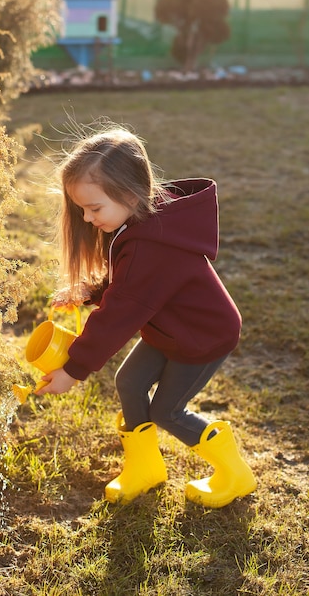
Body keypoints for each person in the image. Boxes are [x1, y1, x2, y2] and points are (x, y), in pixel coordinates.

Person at [37, 124, 256, 508]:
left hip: (202, 336)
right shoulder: (137, 224)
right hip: (168, 328)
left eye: (94, 208)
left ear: (131, 193)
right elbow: (131, 287)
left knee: (167, 411)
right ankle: (145, 466)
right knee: (130, 381)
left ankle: (234, 474)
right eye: (82, 209)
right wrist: (89, 291)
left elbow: (119, 315)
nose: (87, 218)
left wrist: (73, 370)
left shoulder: (152, 244)